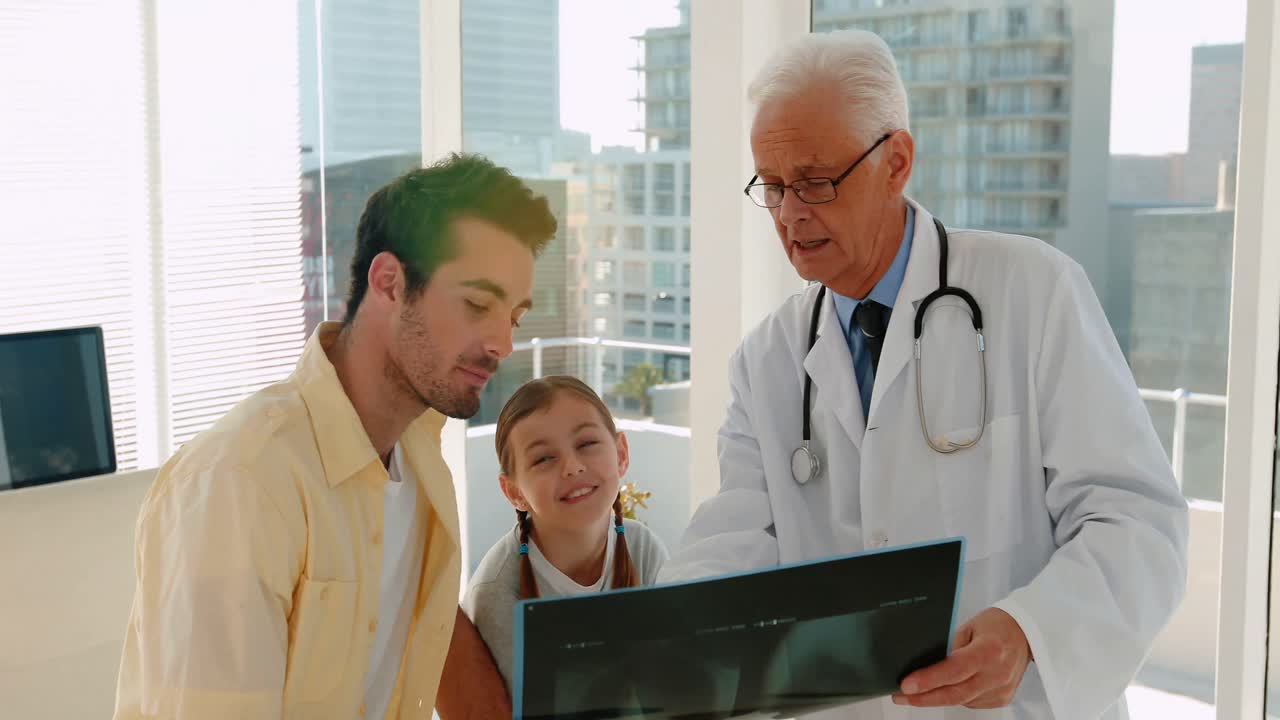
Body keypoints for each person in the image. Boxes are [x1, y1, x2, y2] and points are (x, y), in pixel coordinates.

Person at [658, 30, 1189, 720]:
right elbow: (735, 540)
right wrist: (663, 639)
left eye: (816, 182)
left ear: (896, 161)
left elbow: (1137, 519)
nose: (790, 214)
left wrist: (1032, 631)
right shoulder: (769, 360)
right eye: (776, 186)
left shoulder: (1031, 291)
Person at [112, 153, 557, 720]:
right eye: (477, 304)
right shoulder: (241, 483)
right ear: (390, 283)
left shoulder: (420, 455)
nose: (502, 343)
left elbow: (429, 628)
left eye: (514, 317)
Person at [463, 375, 669, 695]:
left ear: (621, 454)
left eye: (586, 444)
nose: (572, 467)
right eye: (544, 458)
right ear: (514, 491)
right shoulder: (498, 594)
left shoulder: (644, 548)